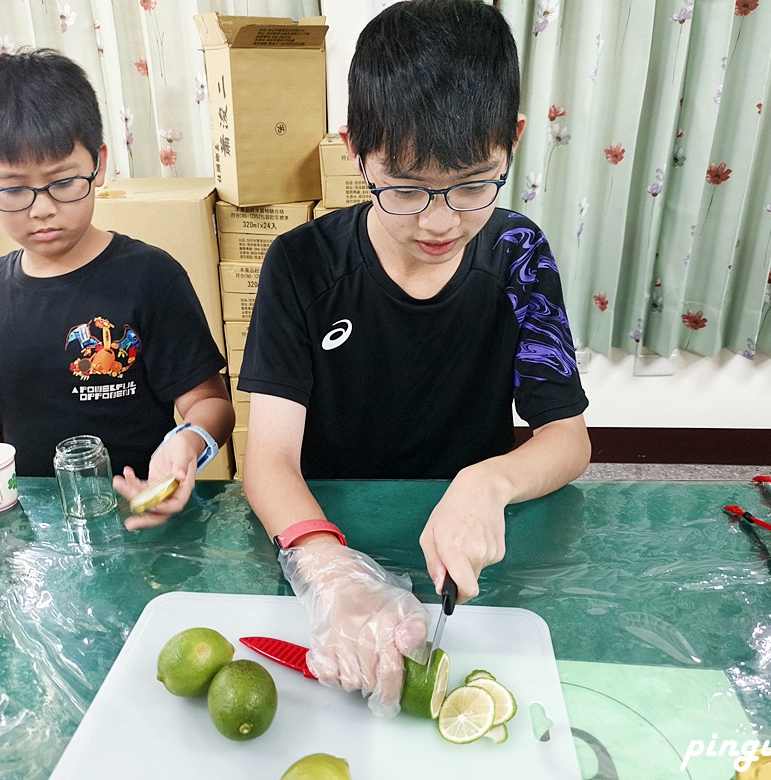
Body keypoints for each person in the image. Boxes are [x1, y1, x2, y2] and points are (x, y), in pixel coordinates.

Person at [238, 0, 590, 717]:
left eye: (471, 184)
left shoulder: (517, 254)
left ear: (512, 142)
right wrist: (330, 571)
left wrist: (489, 482)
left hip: (467, 558)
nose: (439, 221)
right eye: (404, 188)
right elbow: (268, 457)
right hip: (320, 540)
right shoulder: (302, 263)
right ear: (353, 151)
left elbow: (568, 440)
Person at [0, 49, 234, 530]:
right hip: (34, 526)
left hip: (140, 514)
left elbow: (210, 401)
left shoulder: (151, 277)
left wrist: (189, 441)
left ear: (98, 164)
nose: (41, 209)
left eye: (63, 181)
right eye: (13, 189)